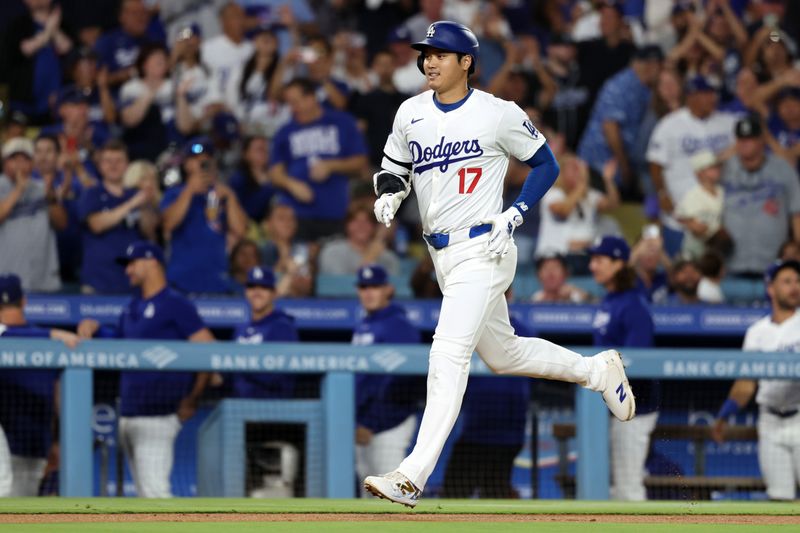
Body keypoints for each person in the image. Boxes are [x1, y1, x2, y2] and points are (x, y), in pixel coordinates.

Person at [363, 20, 635, 508]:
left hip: (484, 248)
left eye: (440, 54)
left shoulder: (497, 113)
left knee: (446, 354)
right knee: (504, 355)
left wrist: (518, 210)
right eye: (425, 53)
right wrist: (388, 193)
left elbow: (546, 162)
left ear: (466, 61)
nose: (429, 61)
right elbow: (394, 167)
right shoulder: (410, 112)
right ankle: (597, 371)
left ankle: (411, 475)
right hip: (441, 255)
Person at [77, 241, 214, 498]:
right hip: (129, 412)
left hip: (158, 415)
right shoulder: (132, 306)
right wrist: (97, 328)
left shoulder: (175, 304)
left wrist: (193, 398)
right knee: (144, 497)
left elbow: (208, 351)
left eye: (133, 263)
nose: (128, 270)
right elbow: (120, 344)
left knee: (156, 495)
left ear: (152, 263)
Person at [712, 259, 800, 501]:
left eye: (798, 281)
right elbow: (746, 383)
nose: (795, 286)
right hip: (770, 420)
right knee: (780, 498)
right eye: (787, 281)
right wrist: (724, 414)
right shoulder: (757, 332)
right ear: (770, 288)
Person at [441, 290, 533, 498]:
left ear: (508, 296)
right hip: (475, 433)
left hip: (506, 436)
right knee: (453, 497)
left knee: (494, 498)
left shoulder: (523, 331)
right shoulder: (468, 329)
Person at [587, 235, 658, 501]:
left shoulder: (633, 303)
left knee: (628, 486)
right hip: (613, 404)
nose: (593, 266)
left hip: (635, 406)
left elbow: (635, 361)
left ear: (618, 264)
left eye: (599, 260)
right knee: (617, 486)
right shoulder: (611, 299)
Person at [0, 273, 79, 497]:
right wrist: (59, 441)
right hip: (35, 443)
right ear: (23, 301)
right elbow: (59, 400)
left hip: (25, 442)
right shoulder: (50, 341)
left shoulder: (46, 339)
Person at [269, 77, 369, 241]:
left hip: (334, 210)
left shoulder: (342, 122)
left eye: (296, 102)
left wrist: (331, 165)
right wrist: (292, 184)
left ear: (312, 97)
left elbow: (361, 161)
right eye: (289, 103)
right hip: (297, 214)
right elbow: (275, 173)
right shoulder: (285, 131)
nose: (293, 108)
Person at [352, 264, 422, 496]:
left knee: (392, 492)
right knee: (368, 495)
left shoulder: (398, 325)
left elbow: (405, 382)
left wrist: (371, 422)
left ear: (388, 289)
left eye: (375, 286)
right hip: (365, 423)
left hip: (390, 423)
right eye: (364, 287)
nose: (369, 292)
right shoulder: (363, 325)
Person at [161, 137, 248, 294]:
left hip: (216, 281)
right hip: (181, 281)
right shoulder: (175, 193)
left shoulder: (223, 194)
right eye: (196, 159)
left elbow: (241, 231)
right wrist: (189, 191)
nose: (202, 164)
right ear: (186, 164)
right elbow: (168, 224)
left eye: (207, 160)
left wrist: (230, 197)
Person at [577, 45, 663, 197]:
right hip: (600, 161)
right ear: (649, 65)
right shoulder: (621, 85)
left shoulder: (647, 87)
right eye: (658, 65)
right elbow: (610, 128)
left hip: (622, 162)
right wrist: (624, 166)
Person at [722, 114, 800, 277]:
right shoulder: (724, 169)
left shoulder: (782, 168)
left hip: (773, 264)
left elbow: (797, 213)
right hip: (731, 264)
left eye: (750, 139)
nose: (745, 144)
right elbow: (701, 175)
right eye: (741, 140)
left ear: (761, 141)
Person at [78, 140, 151, 294]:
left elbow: (149, 231)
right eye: (108, 161)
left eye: (119, 161)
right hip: (98, 281)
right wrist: (132, 204)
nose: (113, 165)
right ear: (100, 165)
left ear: (127, 164)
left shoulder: (135, 194)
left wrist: (146, 202)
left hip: (132, 280)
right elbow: (96, 225)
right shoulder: (92, 193)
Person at [0, 137, 65, 292]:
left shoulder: (42, 188)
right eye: (14, 159)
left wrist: (50, 197)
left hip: (42, 279)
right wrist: (18, 190)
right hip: (6, 279)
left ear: (32, 163)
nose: (20, 164)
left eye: (25, 159)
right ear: (4, 163)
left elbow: (62, 223)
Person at [229, 266, 298, 398]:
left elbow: (278, 375)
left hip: (271, 409)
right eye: (252, 287)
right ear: (245, 292)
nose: (257, 292)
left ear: (274, 293)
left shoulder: (282, 326)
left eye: (263, 288)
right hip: (238, 409)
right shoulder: (240, 328)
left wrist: (239, 363)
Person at [1, 0, 72, 125]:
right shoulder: (19, 25)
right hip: (23, 102)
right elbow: (25, 49)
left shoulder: (63, 24)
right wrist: (49, 31)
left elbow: (67, 48)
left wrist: (54, 29)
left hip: (55, 103)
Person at [318, 201, 400, 276]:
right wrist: (371, 255)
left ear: (374, 227)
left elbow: (393, 287)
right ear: (346, 225)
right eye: (355, 221)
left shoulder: (388, 257)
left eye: (367, 221)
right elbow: (341, 286)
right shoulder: (332, 252)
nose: (361, 226)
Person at [675, 150, 725, 260]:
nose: (716, 170)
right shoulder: (692, 196)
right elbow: (697, 229)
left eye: (717, 167)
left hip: (718, 253)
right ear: (699, 173)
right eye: (711, 168)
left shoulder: (723, 192)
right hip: (696, 253)